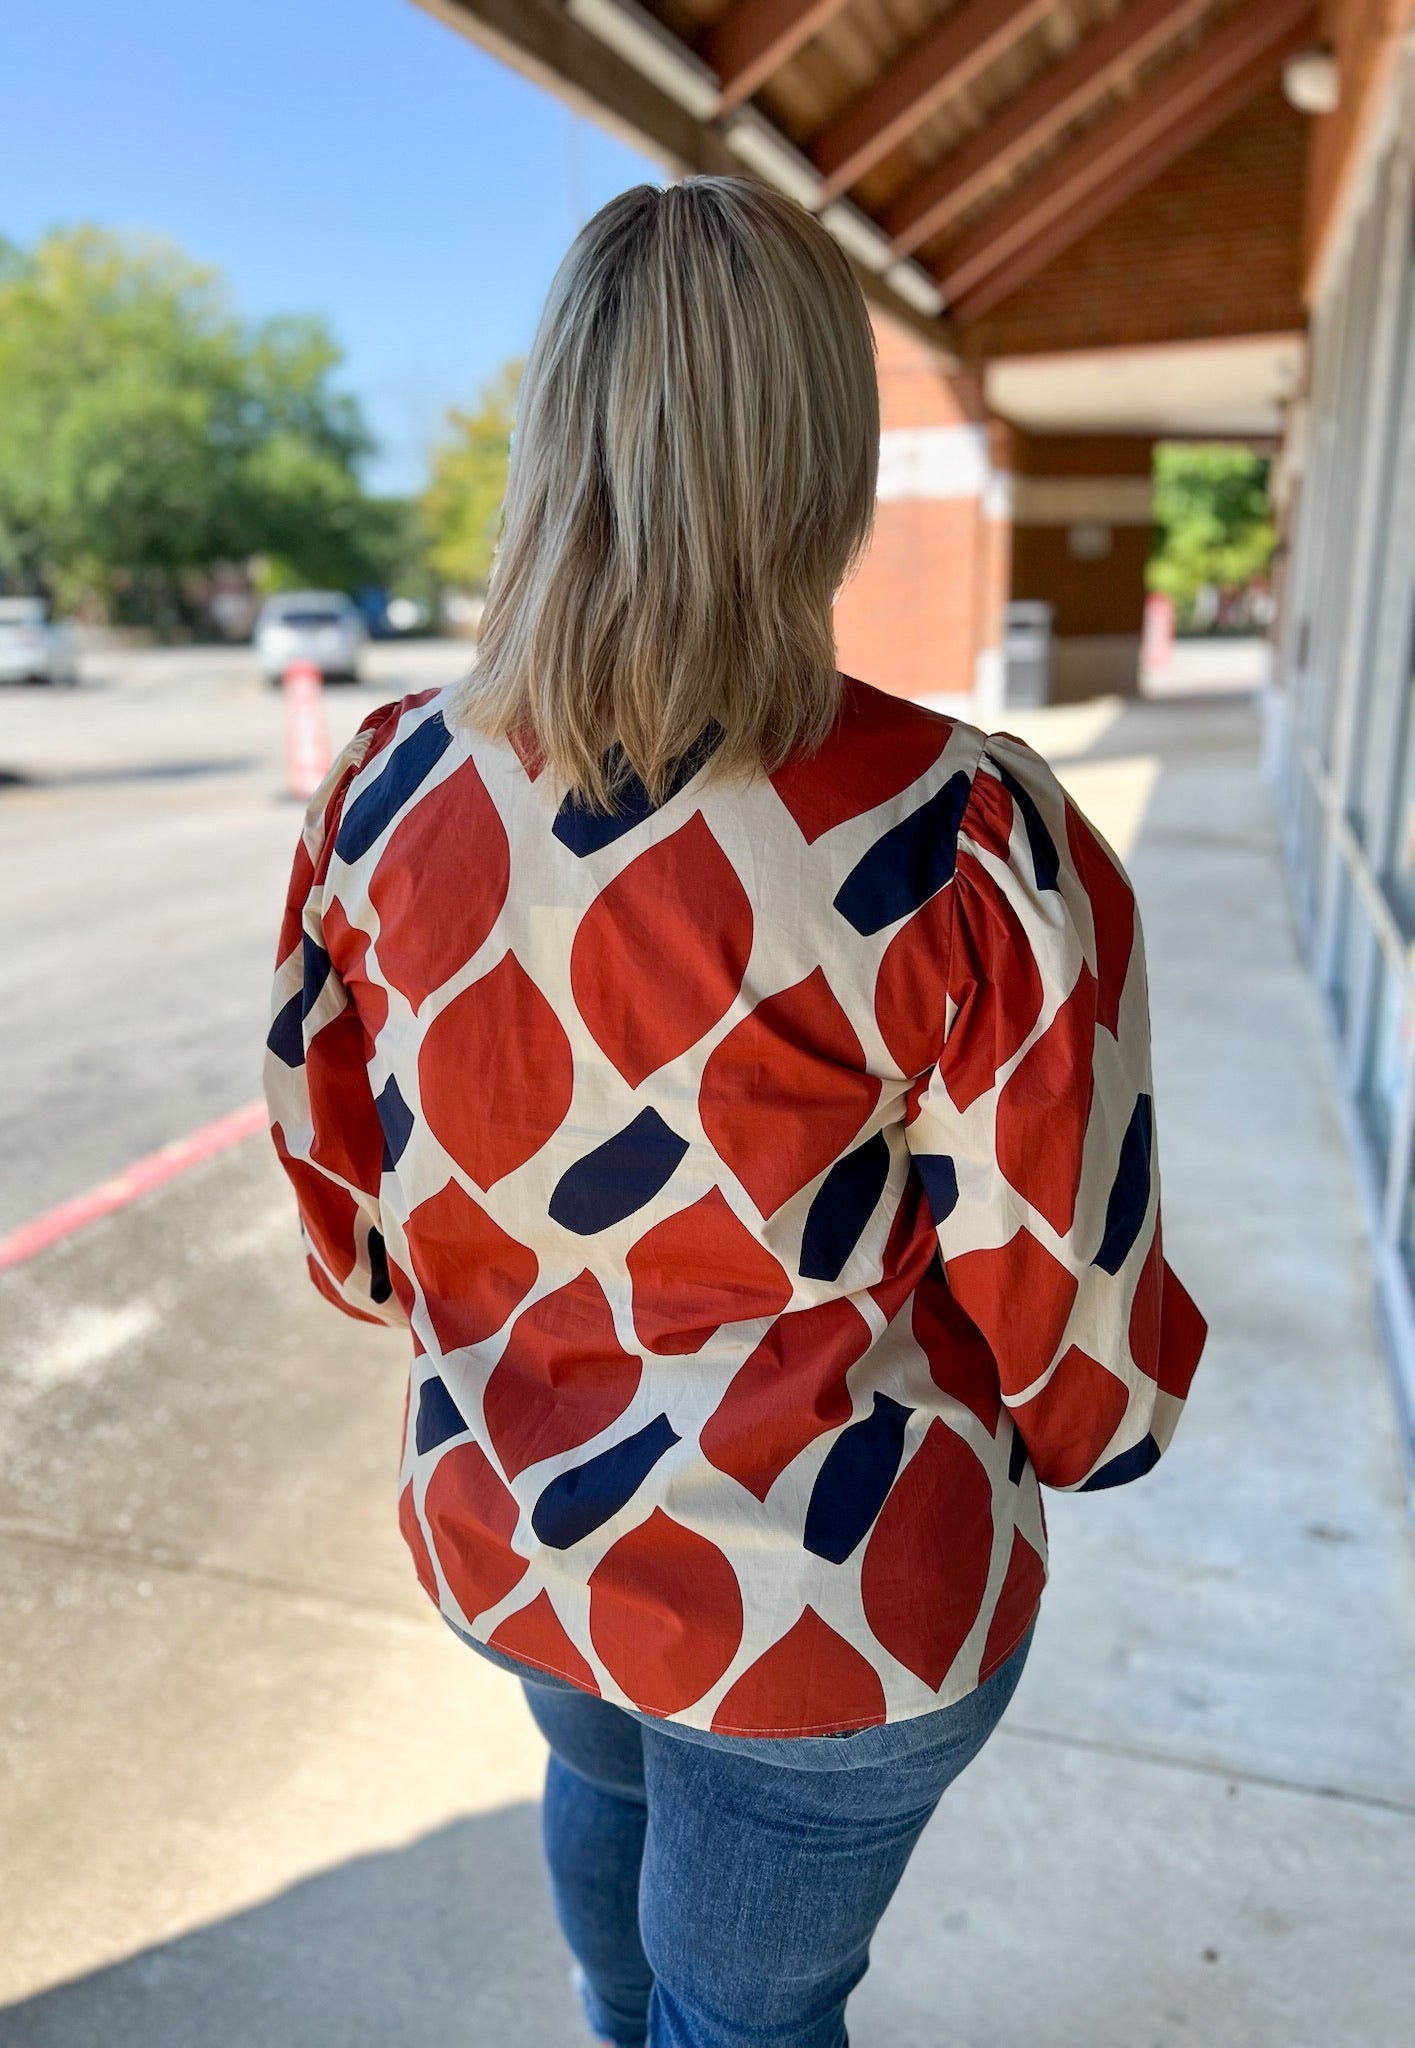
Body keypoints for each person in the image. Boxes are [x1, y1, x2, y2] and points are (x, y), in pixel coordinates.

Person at [264, 176, 1206, 2048]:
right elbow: (1074, 1329)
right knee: (750, 2017)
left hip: (529, 1528)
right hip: (833, 1609)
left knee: (605, 1801)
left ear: (553, 437)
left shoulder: (383, 793)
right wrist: (1095, 1441)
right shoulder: (962, 837)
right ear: (821, 456)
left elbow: (347, 1223)